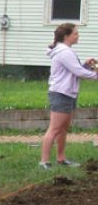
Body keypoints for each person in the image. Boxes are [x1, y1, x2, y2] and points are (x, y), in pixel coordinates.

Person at [39, 23, 97, 169]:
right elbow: (78, 72)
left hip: (68, 93)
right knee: (54, 128)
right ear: (67, 36)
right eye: (76, 33)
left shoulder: (65, 51)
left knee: (63, 128)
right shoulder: (64, 52)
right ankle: (44, 162)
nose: (78, 36)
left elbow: (74, 70)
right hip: (61, 93)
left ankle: (61, 158)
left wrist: (84, 65)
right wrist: (95, 74)